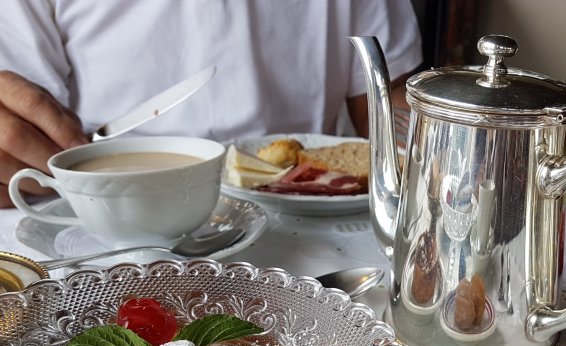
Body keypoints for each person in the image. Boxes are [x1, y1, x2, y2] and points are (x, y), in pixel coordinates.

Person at [0, 1, 423, 207]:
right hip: (109, 223)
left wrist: (450, 151)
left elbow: (389, 100)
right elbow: (16, 127)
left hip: (309, 225)